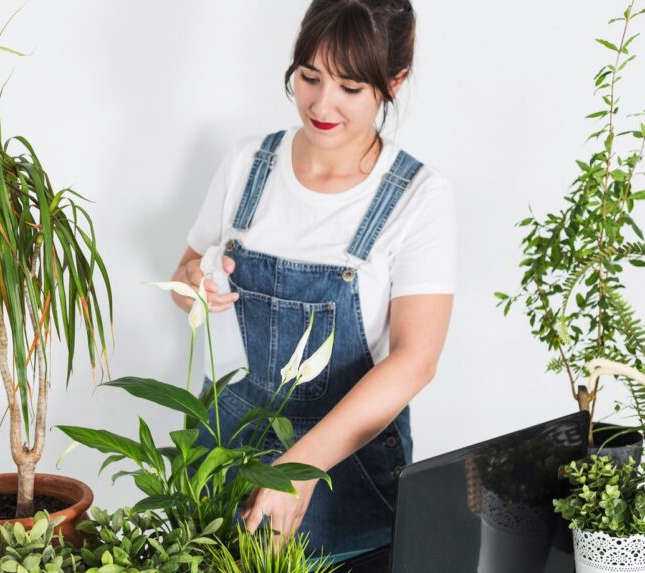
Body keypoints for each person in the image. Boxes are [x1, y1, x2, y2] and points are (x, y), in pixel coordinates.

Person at [169, 0, 455, 560]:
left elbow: (416, 358)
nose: (323, 105)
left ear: (393, 82)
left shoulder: (418, 196)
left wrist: (301, 466)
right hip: (222, 451)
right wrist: (196, 287)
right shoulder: (246, 163)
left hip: (343, 470)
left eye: (350, 87)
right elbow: (185, 270)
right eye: (309, 77)